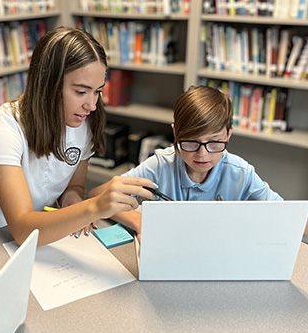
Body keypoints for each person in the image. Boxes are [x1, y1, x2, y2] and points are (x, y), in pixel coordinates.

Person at [0, 26, 156, 245]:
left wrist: (72, 201)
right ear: (47, 84)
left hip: (47, 225)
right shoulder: (0, 130)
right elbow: (23, 229)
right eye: (81, 92)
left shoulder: (83, 122)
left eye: (98, 91)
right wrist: (94, 206)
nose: (92, 105)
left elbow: (73, 188)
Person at [88, 85, 283, 239]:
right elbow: (97, 195)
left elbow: (284, 216)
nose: (202, 155)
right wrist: (140, 223)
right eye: (191, 142)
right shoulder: (160, 165)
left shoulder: (240, 173)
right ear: (176, 133)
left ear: (228, 134)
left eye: (214, 143)